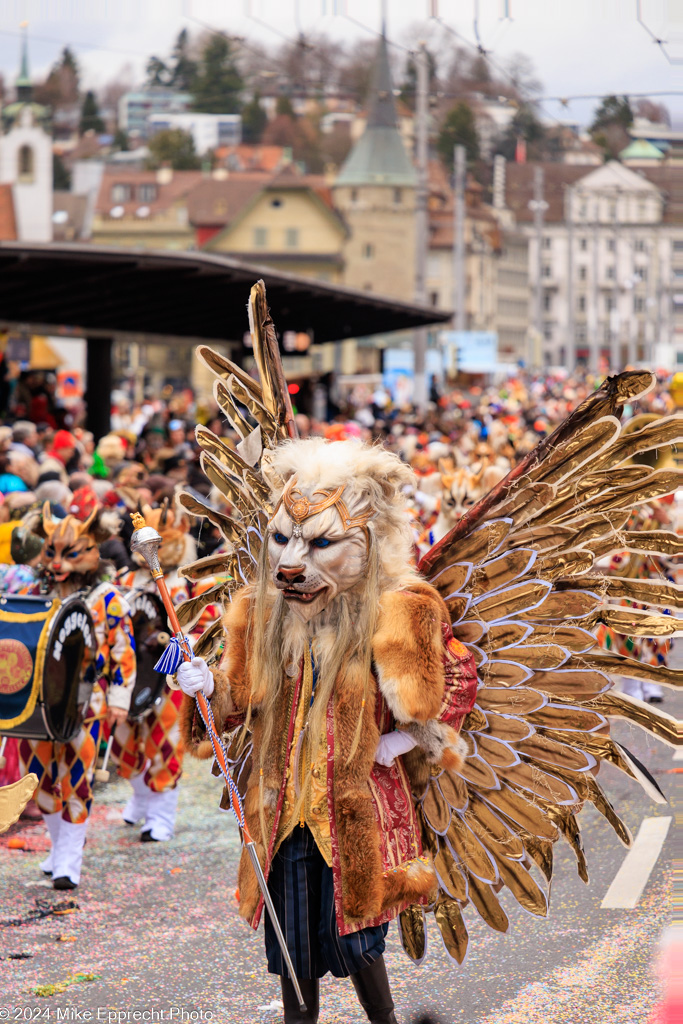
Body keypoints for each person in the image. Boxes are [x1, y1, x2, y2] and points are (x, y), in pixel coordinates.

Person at [177, 441, 478, 1024]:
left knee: (357, 938)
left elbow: (454, 682)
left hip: (357, 803)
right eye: (284, 539)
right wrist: (207, 683)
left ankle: (384, 1021)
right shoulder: (261, 614)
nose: (291, 562)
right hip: (284, 804)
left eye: (319, 543)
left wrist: (407, 740)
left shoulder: (400, 608)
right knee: (291, 943)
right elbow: (239, 701)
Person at [18, 504, 136, 889]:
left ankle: (70, 859)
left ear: (91, 552)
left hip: (89, 702)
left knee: (78, 779)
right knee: (42, 781)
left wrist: (120, 698)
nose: (56, 563)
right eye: (50, 552)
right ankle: (58, 848)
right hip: (36, 707)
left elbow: (123, 650)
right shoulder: (33, 592)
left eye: (69, 554)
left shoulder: (108, 598)